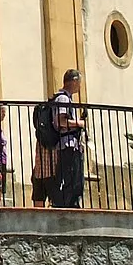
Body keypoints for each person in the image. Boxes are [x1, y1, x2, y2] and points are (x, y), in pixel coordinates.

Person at [51, 70, 86, 208]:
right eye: (79, 83)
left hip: (70, 145)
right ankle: (67, 206)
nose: (80, 86)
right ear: (74, 81)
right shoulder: (63, 99)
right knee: (70, 179)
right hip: (68, 145)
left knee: (73, 179)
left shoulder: (66, 98)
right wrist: (78, 123)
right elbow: (61, 121)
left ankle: (70, 204)